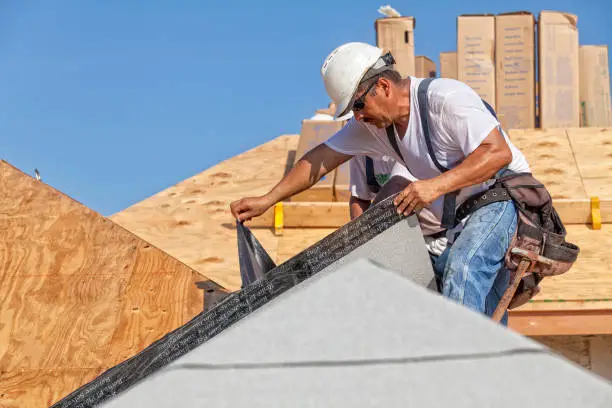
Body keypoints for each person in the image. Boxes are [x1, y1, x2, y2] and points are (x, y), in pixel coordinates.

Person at [230, 41, 532, 325]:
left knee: (463, 271)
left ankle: (455, 374)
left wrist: (435, 186)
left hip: (501, 198)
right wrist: (267, 200)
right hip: (457, 222)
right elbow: (320, 159)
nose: (358, 118)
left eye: (359, 106)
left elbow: (498, 153)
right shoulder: (373, 128)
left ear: (383, 87)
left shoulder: (446, 100)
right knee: (444, 299)